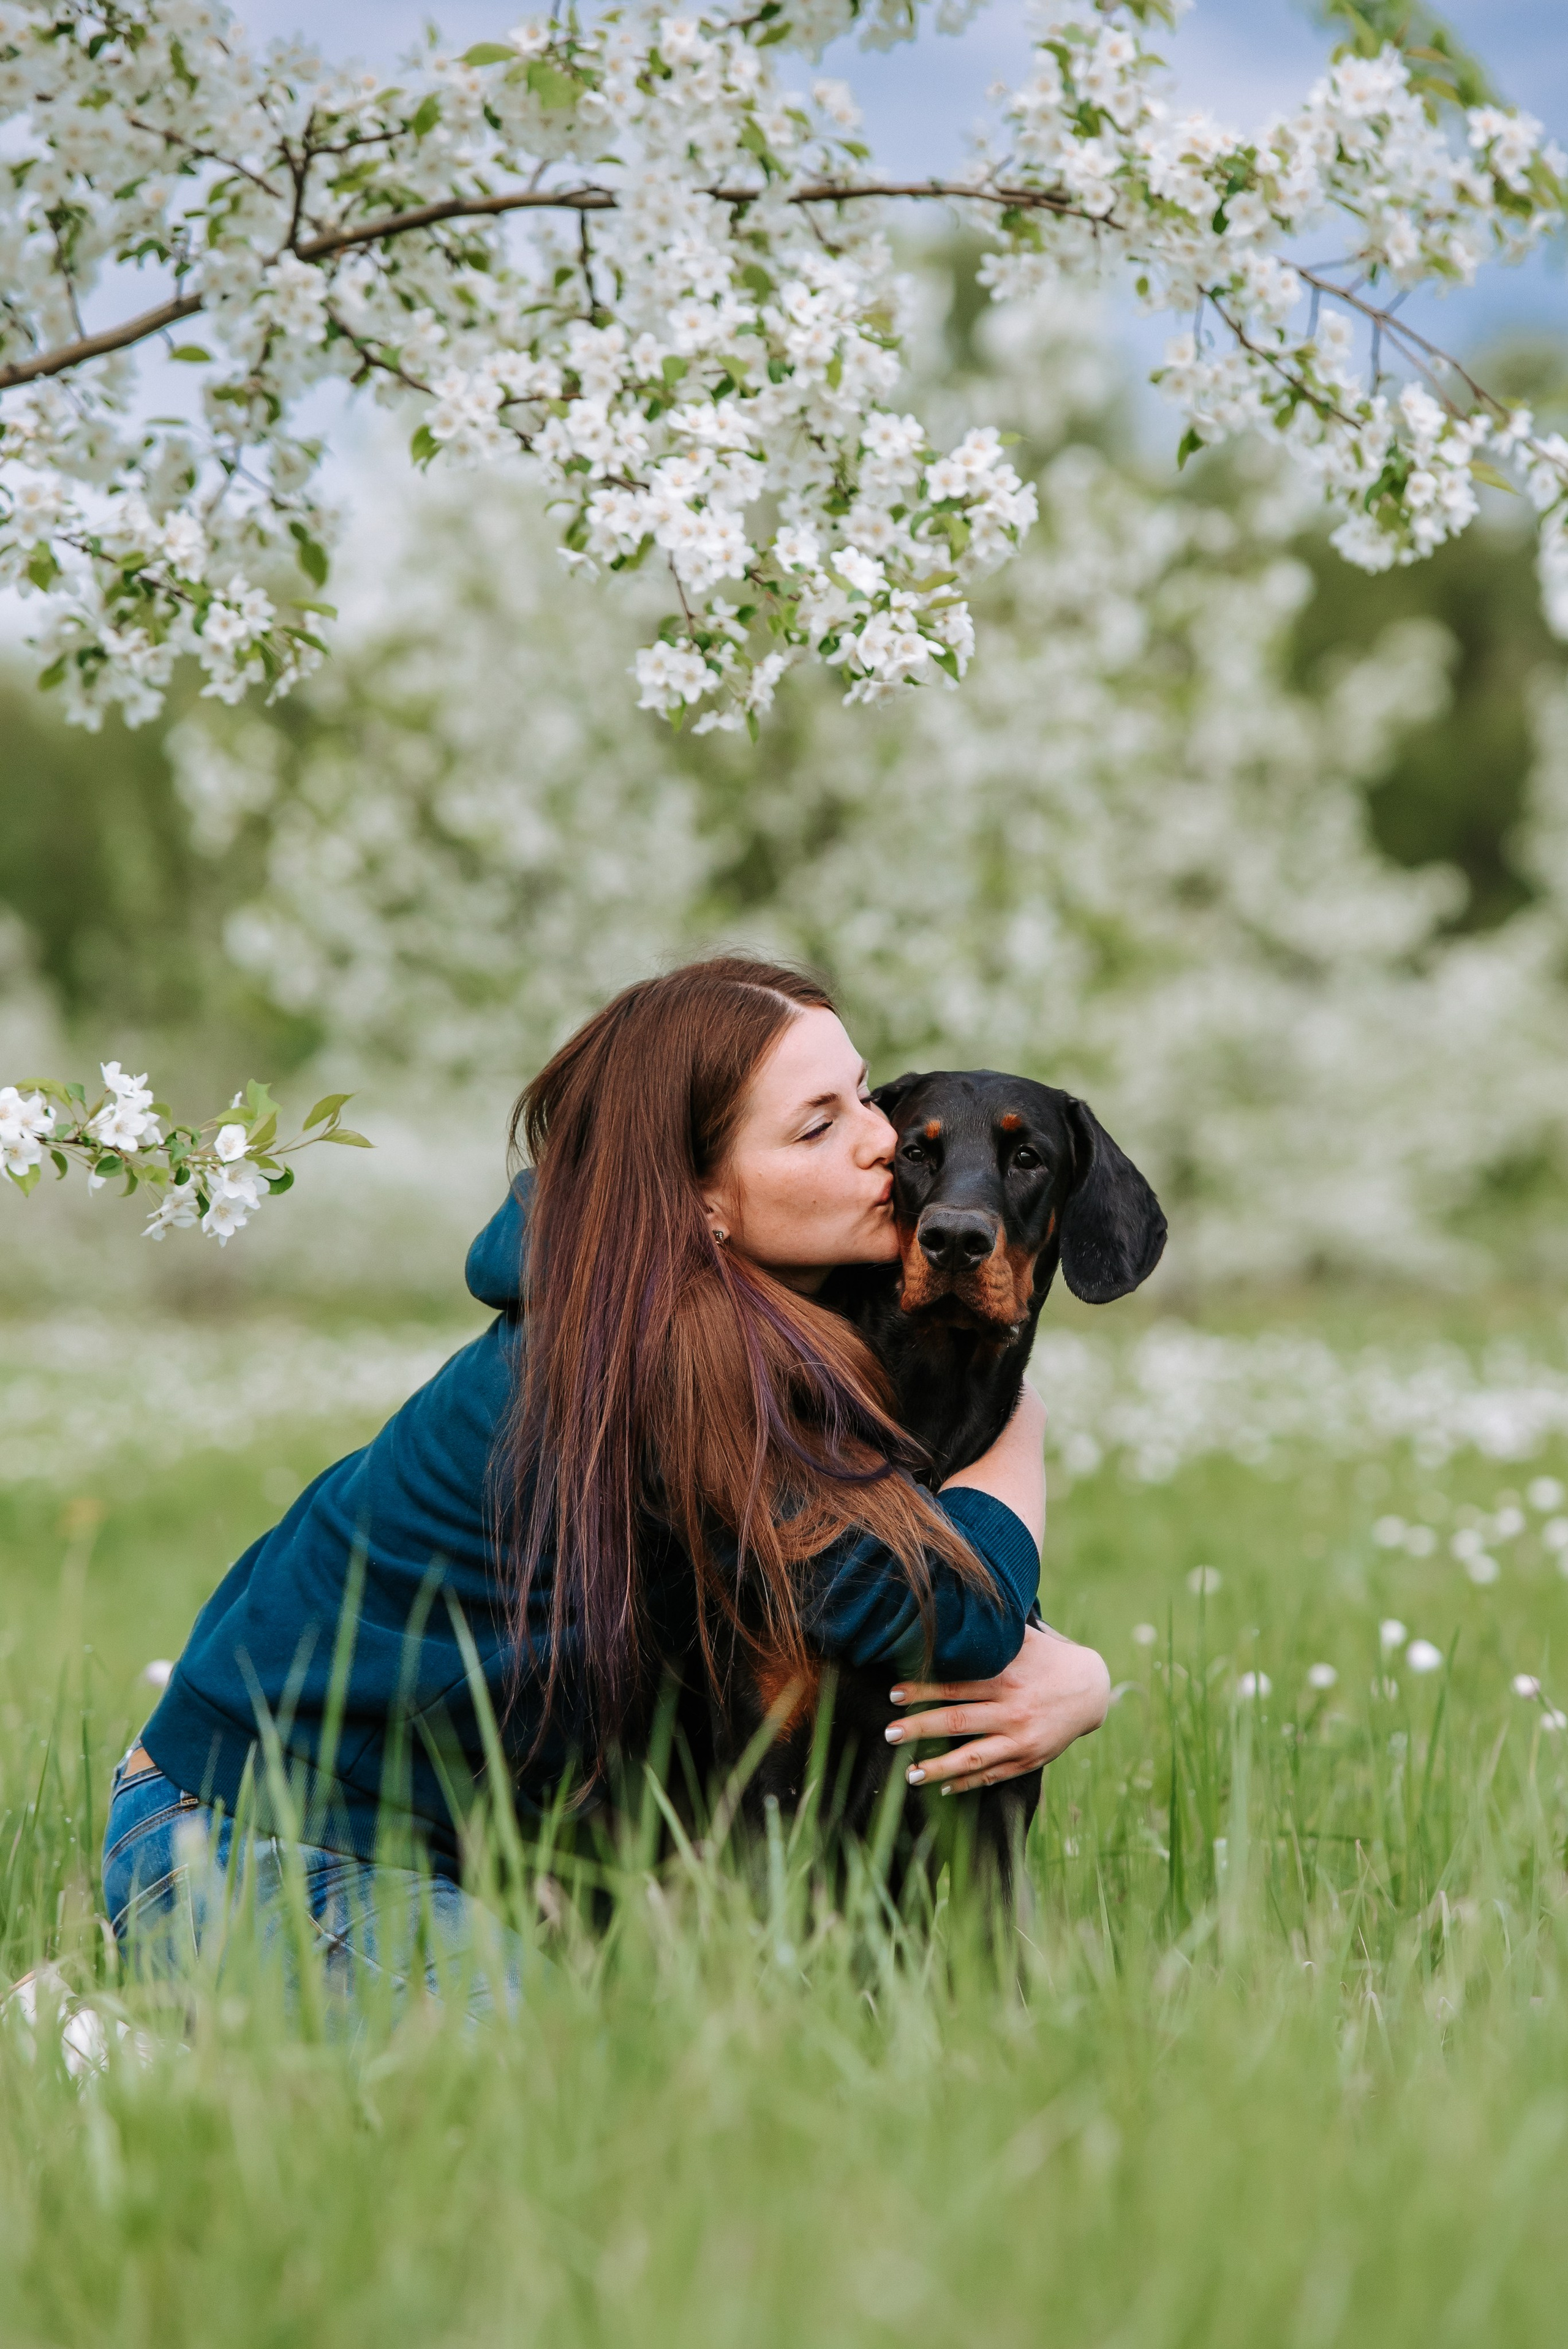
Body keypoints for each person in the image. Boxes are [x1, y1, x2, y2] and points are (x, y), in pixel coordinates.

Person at [102, 959, 1110, 2009]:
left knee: (645, 2070)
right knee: (547, 2088)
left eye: (861, 1094)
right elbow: (940, 1618)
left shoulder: (738, 1323)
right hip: (242, 1836)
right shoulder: (652, 1362)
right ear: (702, 1201)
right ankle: (99, 2040)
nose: (880, 1141)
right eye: (817, 1127)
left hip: (441, 1844)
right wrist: (1018, 1450)